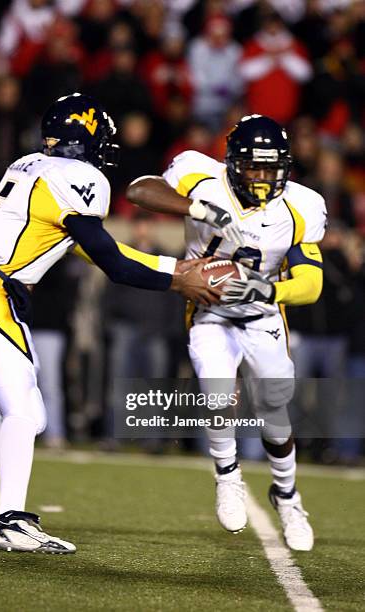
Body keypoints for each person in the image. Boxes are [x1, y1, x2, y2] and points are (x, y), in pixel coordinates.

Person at [0, 93, 217, 554]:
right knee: (24, 412)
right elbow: (109, 258)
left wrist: (171, 269)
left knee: (15, 407)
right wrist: (177, 284)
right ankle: (11, 521)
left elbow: (88, 247)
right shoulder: (79, 177)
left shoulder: (31, 166)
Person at [127, 114, 327, 551]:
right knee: (218, 387)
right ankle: (227, 474)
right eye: (253, 167)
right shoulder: (202, 177)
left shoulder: (301, 204)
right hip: (209, 307)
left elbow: (311, 284)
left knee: (275, 411)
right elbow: (139, 190)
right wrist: (199, 209)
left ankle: (287, 495)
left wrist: (267, 288)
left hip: (263, 310)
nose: (262, 178)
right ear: (233, 162)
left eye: (271, 168)